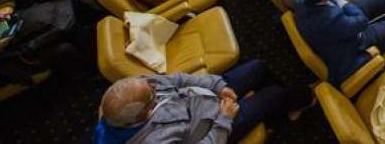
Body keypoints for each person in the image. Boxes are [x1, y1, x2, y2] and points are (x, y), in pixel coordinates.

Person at [95, 62, 313, 144]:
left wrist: (218, 86)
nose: (155, 86)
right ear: (142, 115)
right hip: (216, 125)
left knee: (258, 67)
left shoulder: (141, 86)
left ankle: (280, 108)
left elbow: (180, 79)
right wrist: (225, 118)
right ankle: (295, 103)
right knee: (273, 94)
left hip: (208, 94)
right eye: (152, 93)